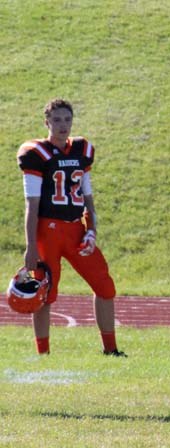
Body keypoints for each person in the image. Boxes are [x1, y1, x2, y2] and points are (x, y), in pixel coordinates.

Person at [16, 99, 125, 357]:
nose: (62, 125)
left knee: (105, 286)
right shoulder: (36, 153)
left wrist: (91, 230)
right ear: (47, 122)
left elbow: (88, 197)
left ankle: (110, 349)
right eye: (56, 120)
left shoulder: (82, 149)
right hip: (47, 231)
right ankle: (43, 353)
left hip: (75, 229)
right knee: (43, 293)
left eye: (67, 119)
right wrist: (31, 245)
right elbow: (31, 204)